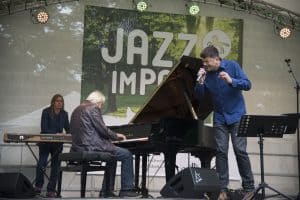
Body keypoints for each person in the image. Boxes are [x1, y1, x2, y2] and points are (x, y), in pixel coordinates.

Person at [194, 46, 255, 200]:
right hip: (220, 117)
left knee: (240, 150)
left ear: (216, 59)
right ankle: (222, 190)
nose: (204, 65)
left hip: (237, 116)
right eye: (203, 63)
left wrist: (231, 80)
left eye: (207, 62)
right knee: (221, 152)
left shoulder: (232, 66)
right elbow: (199, 97)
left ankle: (249, 188)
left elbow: (247, 84)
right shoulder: (206, 74)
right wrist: (199, 81)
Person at [69, 90, 140, 198]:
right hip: (92, 146)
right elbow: (102, 129)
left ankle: (106, 191)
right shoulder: (93, 108)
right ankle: (126, 189)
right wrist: (116, 136)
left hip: (79, 147)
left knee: (112, 157)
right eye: (101, 104)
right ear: (97, 101)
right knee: (126, 154)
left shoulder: (77, 109)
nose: (101, 107)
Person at [35, 94, 70, 198]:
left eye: (61, 101)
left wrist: (67, 134)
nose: (59, 103)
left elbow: (68, 129)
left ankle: (51, 190)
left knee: (56, 166)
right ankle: (38, 187)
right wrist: (57, 133)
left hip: (58, 144)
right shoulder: (46, 112)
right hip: (46, 143)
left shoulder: (64, 114)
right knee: (42, 163)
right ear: (53, 102)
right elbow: (44, 129)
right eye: (57, 101)